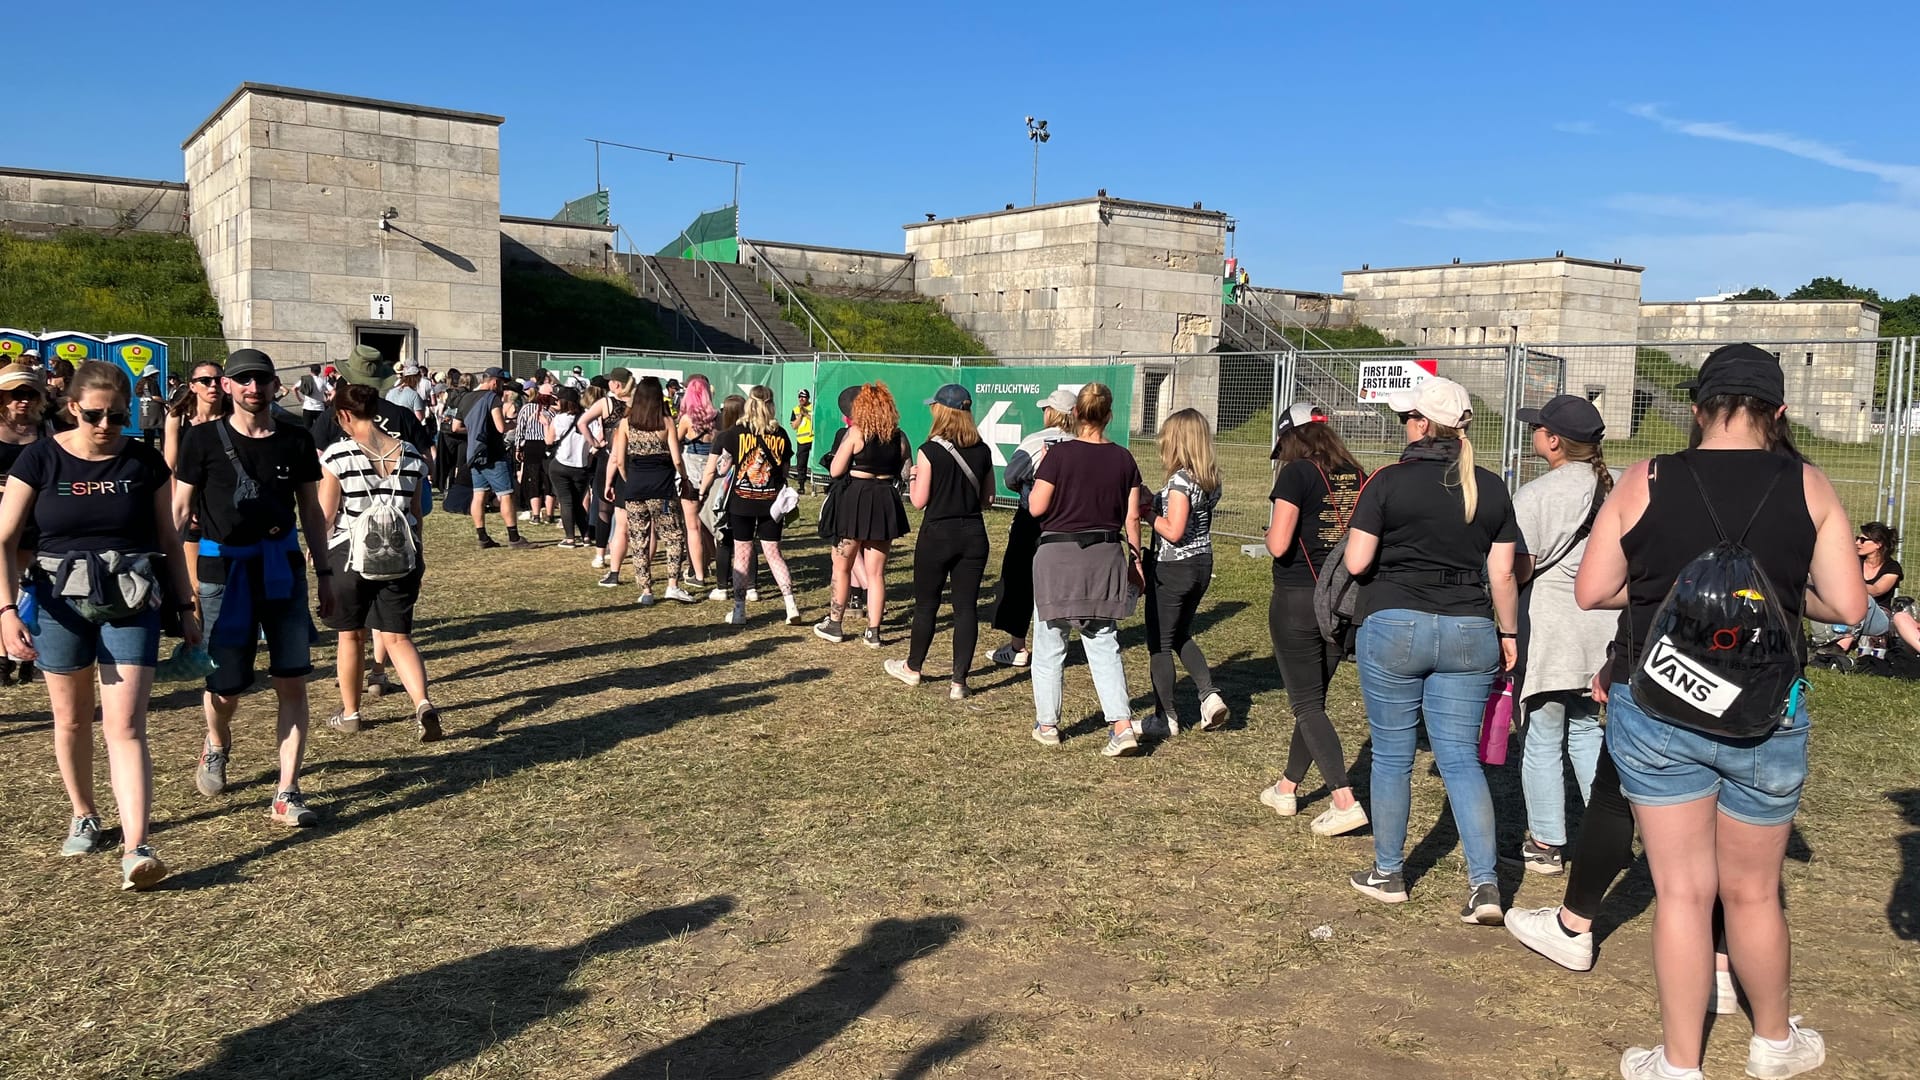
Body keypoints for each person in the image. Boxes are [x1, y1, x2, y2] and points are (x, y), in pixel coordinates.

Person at [1573, 344, 1863, 1080]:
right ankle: (1772, 1041)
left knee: (1681, 891)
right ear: (1781, 413)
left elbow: (1594, 590)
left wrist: (1674, 599)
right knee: (1755, 891)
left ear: (1696, 408)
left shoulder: (1647, 479)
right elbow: (1849, 607)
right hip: (1767, 709)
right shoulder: (1810, 485)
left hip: (1659, 700)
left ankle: (1678, 1062)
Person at [0, 360, 197, 890]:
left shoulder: (144, 461)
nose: (106, 425)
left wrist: (185, 605)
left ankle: (138, 845)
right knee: (70, 720)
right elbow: (2, 539)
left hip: (131, 601)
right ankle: (85, 812)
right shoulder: (39, 459)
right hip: (58, 602)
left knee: (127, 725)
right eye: (94, 415)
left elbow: (168, 537)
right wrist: (5, 612)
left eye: (117, 415)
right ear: (72, 408)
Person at [1343, 376, 1519, 925]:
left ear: (1421, 424)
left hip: (1394, 623)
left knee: (1393, 756)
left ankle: (1389, 871)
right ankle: (1484, 885)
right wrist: (1510, 635)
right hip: (1470, 629)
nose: (1403, 426)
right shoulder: (1489, 486)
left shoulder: (1387, 482)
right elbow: (1503, 572)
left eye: (1405, 418)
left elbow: (1355, 563)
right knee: (1462, 760)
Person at [172, 348, 335, 828]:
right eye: (243, 379)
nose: (253, 387)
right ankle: (217, 742)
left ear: (273, 386)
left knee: (292, 679)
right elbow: (180, 512)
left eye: (261, 379)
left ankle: (287, 791)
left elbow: (311, 511)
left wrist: (324, 574)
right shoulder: (200, 440)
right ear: (226, 386)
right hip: (223, 573)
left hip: (281, 569)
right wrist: (170, 575)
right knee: (226, 688)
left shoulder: (295, 440)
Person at [1508, 394, 1619, 875]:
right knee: (1583, 729)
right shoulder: (1613, 492)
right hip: (1601, 629)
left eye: (1538, 427)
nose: (1534, 433)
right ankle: (1608, 833)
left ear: (1553, 441)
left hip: (1552, 627)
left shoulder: (1537, 495)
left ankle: (1547, 841)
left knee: (1540, 734)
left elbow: (1519, 567)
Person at [1261, 403, 1368, 836]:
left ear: (1292, 438)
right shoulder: (1356, 474)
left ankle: (1343, 798)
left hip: (1298, 598)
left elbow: (1279, 543)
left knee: (1306, 703)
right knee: (1314, 700)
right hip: (1343, 600)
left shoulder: (1296, 474)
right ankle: (1287, 788)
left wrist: (1270, 532)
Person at [1026, 383, 1145, 756]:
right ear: (1109, 416)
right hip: (1105, 555)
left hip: (1058, 556)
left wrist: (1041, 469)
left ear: (1075, 414)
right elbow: (1132, 517)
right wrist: (1137, 560)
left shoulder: (1058, 457)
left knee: (1050, 644)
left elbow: (1036, 507)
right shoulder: (1124, 459)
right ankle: (1122, 725)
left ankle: (1047, 724)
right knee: (1104, 642)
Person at [317, 382, 439, 741]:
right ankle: (423, 704)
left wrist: (314, 549)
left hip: (351, 553)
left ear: (343, 415)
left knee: (351, 636)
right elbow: (416, 514)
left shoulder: (338, 456)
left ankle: (351, 712)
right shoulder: (412, 455)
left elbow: (326, 515)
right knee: (398, 638)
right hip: (402, 554)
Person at [885, 384, 995, 700]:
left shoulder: (929, 449)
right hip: (973, 534)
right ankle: (959, 681)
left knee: (927, 606)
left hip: (937, 534)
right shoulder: (983, 450)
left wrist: (915, 477)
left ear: (941, 411)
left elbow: (919, 502)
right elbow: (988, 497)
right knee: (965, 608)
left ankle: (913, 667)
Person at [1142, 408, 1226, 736]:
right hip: (1202, 563)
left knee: (1160, 643)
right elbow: (1190, 515)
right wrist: (1158, 499)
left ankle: (1165, 718)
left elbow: (1174, 530)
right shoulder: (1209, 479)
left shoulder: (1180, 480)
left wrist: (1148, 512)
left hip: (1173, 566)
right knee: (1180, 635)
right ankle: (1209, 695)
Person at [817, 383, 911, 647]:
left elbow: (836, 470)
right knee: (876, 574)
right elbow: (906, 470)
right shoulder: (899, 436)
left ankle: (835, 623)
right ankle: (874, 632)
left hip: (855, 499)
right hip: (884, 500)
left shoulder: (856, 432)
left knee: (841, 565)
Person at [989, 389, 1075, 669]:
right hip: (1068, 522)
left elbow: (1011, 477)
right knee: (1059, 583)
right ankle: (1055, 644)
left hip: (1032, 518)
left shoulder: (1035, 441)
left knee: (1019, 579)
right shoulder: (1083, 443)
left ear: (1052, 413)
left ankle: (1018, 646)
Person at [704, 385, 800, 626]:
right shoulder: (780, 434)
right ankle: (790, 605)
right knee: (773, 553)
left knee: (743, 553)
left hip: (742, 502)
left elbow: (722, 469)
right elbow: (785, 470)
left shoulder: (734, 433)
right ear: (771, 404)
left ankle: (739, 610)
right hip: (771, 504)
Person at [606, 377, 695, 605]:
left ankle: (646, 589)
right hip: (662, 488)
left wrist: (628, 479)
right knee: (673, 536)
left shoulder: (627, 423)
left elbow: (619, 461)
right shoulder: (666, 422)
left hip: (635, 487)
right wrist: (684, 479)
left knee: (639, 538)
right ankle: (672, 585)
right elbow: (676, 458)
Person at [0, 363, 48, 685]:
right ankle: (3, 657)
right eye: (17, 394)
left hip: (35, 515)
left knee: (29, 586)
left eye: (30, 394)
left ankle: (29, 652)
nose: (24, 401)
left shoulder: (46, 430)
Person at [465, 367, 529, 550]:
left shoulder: (466, 398)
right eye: (501, 383)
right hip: (492, 453)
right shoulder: (492, 398)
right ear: (494, 382)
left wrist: (477, 432)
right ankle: (514, 537)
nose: (502, 387)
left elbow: (456, 426)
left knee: (479, 494)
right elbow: (500, 427)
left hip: (473, 452)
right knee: (506, 494)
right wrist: (513, 423)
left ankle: (482, 536)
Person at [582, 369, 632, 570]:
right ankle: (617, 548)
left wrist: (594, 442)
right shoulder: (636, 404)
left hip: (608, 456)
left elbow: (582, 422)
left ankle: (600, 554)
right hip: (630, 459)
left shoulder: (606, 403)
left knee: (604, 508)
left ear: (616, 385)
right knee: (625, 510)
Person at [676, 375, 717, 588]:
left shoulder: (686, 420)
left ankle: (698, 574)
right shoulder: (716, 418)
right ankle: (720, 563)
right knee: (712, 525)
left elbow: (674, 440)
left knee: (692, 527)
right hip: (712, 475)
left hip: (691, 475)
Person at [544, 387, 593, 548]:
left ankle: (570, 538)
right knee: (577, 502)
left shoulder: (559, 419)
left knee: (566, 501)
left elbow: (549, 441)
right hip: (581, 465)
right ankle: (586, 535)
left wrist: (545, 424)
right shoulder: (587, 417)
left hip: (561, 464)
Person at [515, 382, 556, 526]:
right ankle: (550, 515)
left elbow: (520, 429)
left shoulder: (526, 409)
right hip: (548, 446)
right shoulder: (553, 412)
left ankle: (536, 515)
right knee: (548, 481)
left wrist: (518, 448)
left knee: (533, 480)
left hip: (531, 445)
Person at [790, 389, 815, 493]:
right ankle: (801, 486)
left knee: (816, 462)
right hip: (801, 440)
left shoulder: (813, 407)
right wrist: (800, 415)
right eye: (800, 397)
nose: (801, 399)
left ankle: (822, 483)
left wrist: (806, 414)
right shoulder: (795, 410)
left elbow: (817, 421)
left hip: (813, 438)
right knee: (801, 464)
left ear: (808, 398)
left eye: (804, 397)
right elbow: (794, 426)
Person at [134, 373, 165, 448]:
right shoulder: (152, 382)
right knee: (162, 432)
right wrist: (166, 402)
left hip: (144, 411)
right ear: (152, 374)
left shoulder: (141, 384)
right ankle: (163, 451)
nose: (157, 375)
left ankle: (148, 452)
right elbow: (155, 397)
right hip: (154, 411)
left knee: (148, 436)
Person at [295, 364, 328, 429]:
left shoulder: (305, 379)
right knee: (321, 428)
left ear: (311, 371)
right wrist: (328, 401)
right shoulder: (323, 380)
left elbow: (294, 388)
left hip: (308, 408)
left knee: (308, 428)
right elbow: (333, 391)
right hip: (319, 408)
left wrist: (299, 399)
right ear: (319, 371)